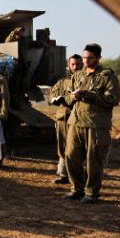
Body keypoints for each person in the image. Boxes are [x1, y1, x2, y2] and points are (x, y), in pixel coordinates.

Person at [62, 43, 120, 203]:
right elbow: (67, 98)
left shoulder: (107, 76)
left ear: (98, 58)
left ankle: (91, 193)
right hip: (75, 123)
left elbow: (113, 99)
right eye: (85, 57)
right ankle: (76, 189)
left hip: (96, 124)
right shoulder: (77, 76)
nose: (86, 61)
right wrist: (72, 97)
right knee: (71, 156)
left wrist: (91, 96)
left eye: (90, 58)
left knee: (94, 160)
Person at [48, 54, 83, 184]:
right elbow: (53, 94)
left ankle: (79, 175)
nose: (75, 67)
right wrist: (58, 98)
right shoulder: (62, 81)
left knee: (77, 148)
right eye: (73, 64)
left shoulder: (85, 80)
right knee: (62, 146)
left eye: (78, 64)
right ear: (68, 65)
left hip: (79, 118)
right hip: (63, 117)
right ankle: (63, 174)